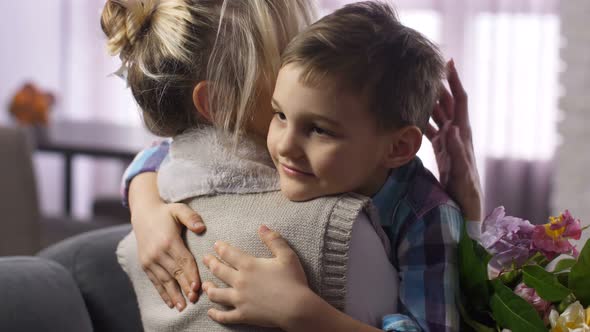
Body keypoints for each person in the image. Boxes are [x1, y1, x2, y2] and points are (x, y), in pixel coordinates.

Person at [120, 1, 483, 331]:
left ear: (398, 147)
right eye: (280, 113)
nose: (284, 146)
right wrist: (146, 207)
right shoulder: (287, 152)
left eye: (319, 129)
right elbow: (164, 150)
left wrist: (302, 312)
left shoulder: (425, 215)